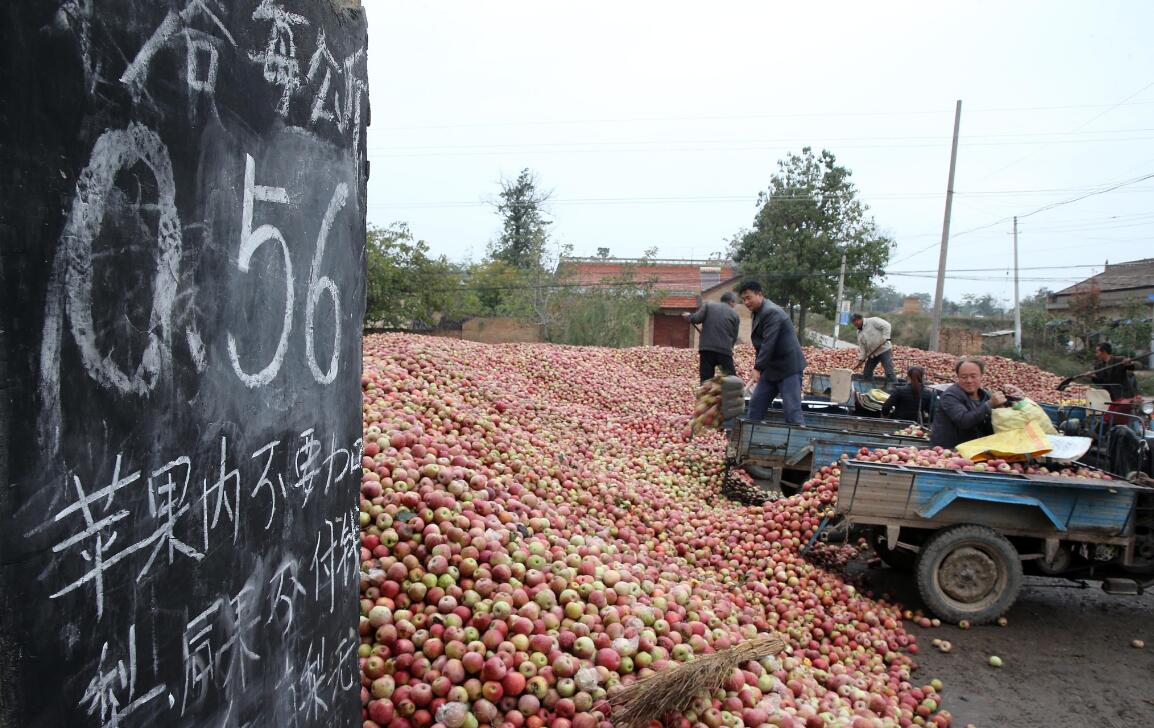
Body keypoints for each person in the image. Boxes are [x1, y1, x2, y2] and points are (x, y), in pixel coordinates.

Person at [738, 280, 807, 425]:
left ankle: (800, 443)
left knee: (792, 411)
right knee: (756, 405)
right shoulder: (757, 312)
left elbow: (768, 344)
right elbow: (762, 345)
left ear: (759, 295)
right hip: (771, 368)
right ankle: (750, 438)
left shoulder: (771, 312)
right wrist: (760, 367)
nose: (746, 302)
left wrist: (757, 368)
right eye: (743, 299)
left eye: (748, 297)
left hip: (788, 368)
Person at [930, 357, 1008, 450]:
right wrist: (989, 405)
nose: (969, 381)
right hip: (949, 452)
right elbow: (964, 421)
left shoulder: (985, 396)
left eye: (973, 376)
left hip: (973, 451)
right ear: (958, 377)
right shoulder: (950, 396)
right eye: (964, 377)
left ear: (981, 376)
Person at [682, 292, 740, 383]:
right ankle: (732, 396)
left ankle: (706, 396)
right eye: (735, 303)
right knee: (731, 380)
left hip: (707, 350)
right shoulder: (735, 315)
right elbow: (734, 336)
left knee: (706, 381)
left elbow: (696, 319)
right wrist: (730, 347)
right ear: (731, 302)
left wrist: (689, 316)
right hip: (724, 351)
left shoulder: (709, 306)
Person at [851, 313, 895, 385]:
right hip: (873, 354)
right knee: (867, 373)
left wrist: (885, 337)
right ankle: (871, 389)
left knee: (889, 372)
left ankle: (895, 388)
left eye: (855, 322)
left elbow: (887, 325)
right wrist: (861, 359)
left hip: (883, 349)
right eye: (853, 323)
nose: (855, 325)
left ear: (860, 319)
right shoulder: (858, 332)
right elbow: (862, 347)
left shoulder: (872, 321)